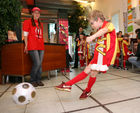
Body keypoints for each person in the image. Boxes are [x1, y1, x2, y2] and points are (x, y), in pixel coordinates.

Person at [55, 10, 117, 99]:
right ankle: (84, 89)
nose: (92, 26)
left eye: (92, 23)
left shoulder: (108, 25)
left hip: (103, 56)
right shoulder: (99, 30)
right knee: (91, 73)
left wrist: (92, 37)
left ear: (98, 19)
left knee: (89, 71)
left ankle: (69, 85)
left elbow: (104, 30)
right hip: (98, 55)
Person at [23, 7, 44, 87]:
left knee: (40, 64)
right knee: (37, 63)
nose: (37, 14)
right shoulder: (27, 22)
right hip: (32, 46)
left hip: (41, 46)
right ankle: (32, 80)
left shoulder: (41, 24)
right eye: (35, 12)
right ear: (32, 14)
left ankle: (38, 80)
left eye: (38, 13)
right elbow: (25, 35)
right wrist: (26, 45)